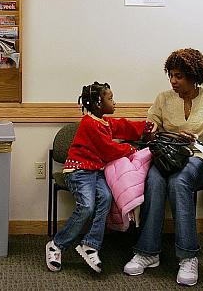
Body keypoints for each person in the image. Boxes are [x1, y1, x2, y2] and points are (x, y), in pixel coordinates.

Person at [123, 48, 203, 286]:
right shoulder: (163, 98)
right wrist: (153, 130)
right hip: (167, 155)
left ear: (194, 76)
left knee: (179, 181)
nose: (173, 81)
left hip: (198, 158)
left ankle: (188, 256)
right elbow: (152, 127)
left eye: (179, 76)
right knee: (155, 179)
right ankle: (148, 252)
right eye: (171, 75)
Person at [46, 81, 151, 273]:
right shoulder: (89, 123)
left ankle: (91, 244)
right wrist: (131, 148)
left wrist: (146, 128)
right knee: (86, 206)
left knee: (107, 197)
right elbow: (108, 149)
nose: (114, 102)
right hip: (78, 172)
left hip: (95, 171)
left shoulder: (103, 122)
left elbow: (122, 126)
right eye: (110, 99)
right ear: (98, 103)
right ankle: (56, 245)